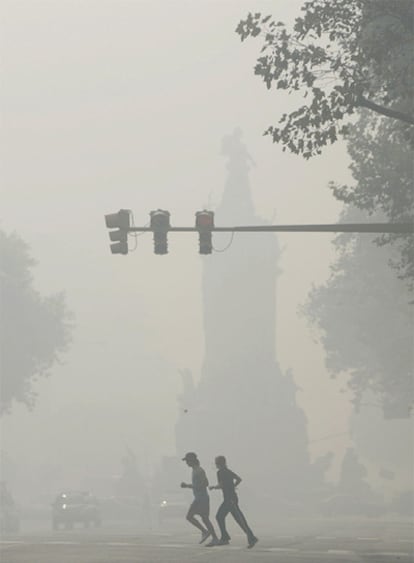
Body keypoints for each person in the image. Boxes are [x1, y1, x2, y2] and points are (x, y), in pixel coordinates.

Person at [209, 455, 258, 548]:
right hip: (231, 498)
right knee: (232, 518)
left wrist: (213, 487)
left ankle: (226, 538)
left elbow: (221, 485)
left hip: (230, 499)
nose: (216, 465)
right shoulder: (228, 471)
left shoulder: (220, 472)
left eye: (216, 463)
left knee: (231, 518)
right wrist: (233, 486)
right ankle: (249, 537)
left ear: (219, 464)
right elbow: (239, 479)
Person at [180, 452, 219, 546]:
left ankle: (208, 533)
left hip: (201, 499)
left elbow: (205, 483)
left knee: (191, 517)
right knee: (204, 519)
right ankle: (212, 537)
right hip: (200, 498)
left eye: (187, 461)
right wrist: (190, 486)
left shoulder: (199, 470)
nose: (186, 463)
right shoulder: (195, 470)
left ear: (192, 460)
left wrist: (187, 485)